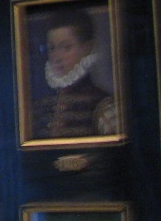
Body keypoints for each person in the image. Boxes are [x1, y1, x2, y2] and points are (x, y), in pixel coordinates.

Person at [31, 8, 117, 138]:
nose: (57, 57)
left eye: (66, 47)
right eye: (52, 48)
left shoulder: (104, 106)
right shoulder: (41, 106)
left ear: (87, 48)